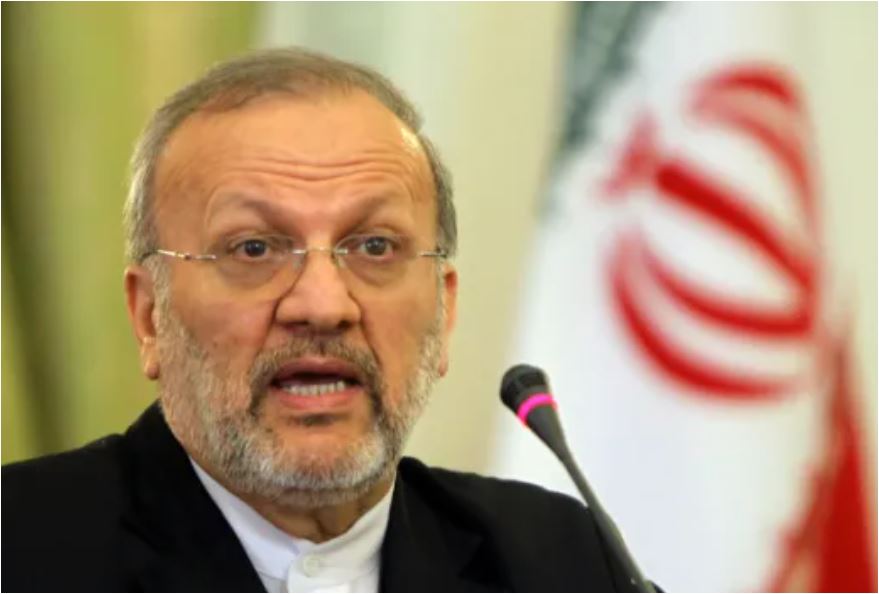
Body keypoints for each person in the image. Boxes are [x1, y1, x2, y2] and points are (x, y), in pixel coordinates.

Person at [2, 47, 641, 592]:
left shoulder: (559, 559)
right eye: (254, 248)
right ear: (150, 317)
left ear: (444, 310)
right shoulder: (21, 546)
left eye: (375, 247)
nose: (323, 305)